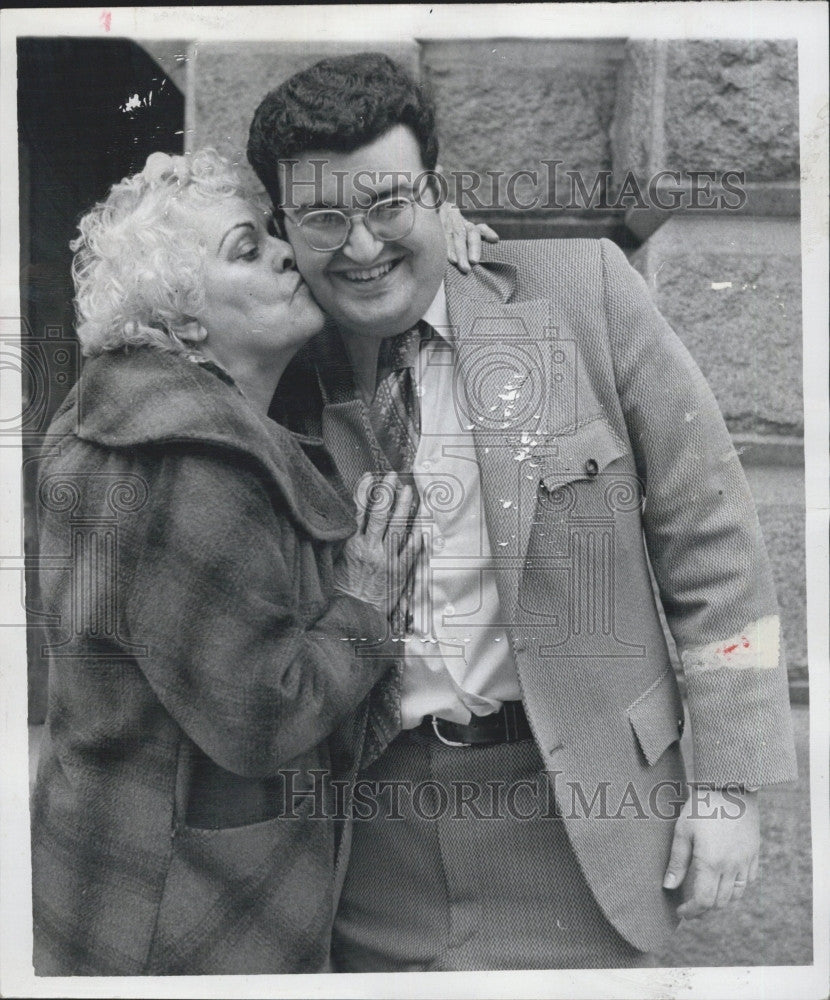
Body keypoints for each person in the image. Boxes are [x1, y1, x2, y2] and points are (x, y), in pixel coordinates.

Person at [247, 53, 799, 971]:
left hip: (579, 820)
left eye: (390, 204)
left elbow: (715, 544)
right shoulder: (275, 366)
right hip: (361, 834)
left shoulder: (580, 294)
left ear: (439, 193)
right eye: (324, 217)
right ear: (283, 228)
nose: (361, 245)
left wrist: (730, 787)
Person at [29, 148, 486, 975]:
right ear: (186, 324)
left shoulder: (135, 413)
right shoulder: (187, 465)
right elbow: (261, 717)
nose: (285, 253)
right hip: (185, 915)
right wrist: (365, 603)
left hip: (116, 877)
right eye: (247, 248)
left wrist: (428, 235)